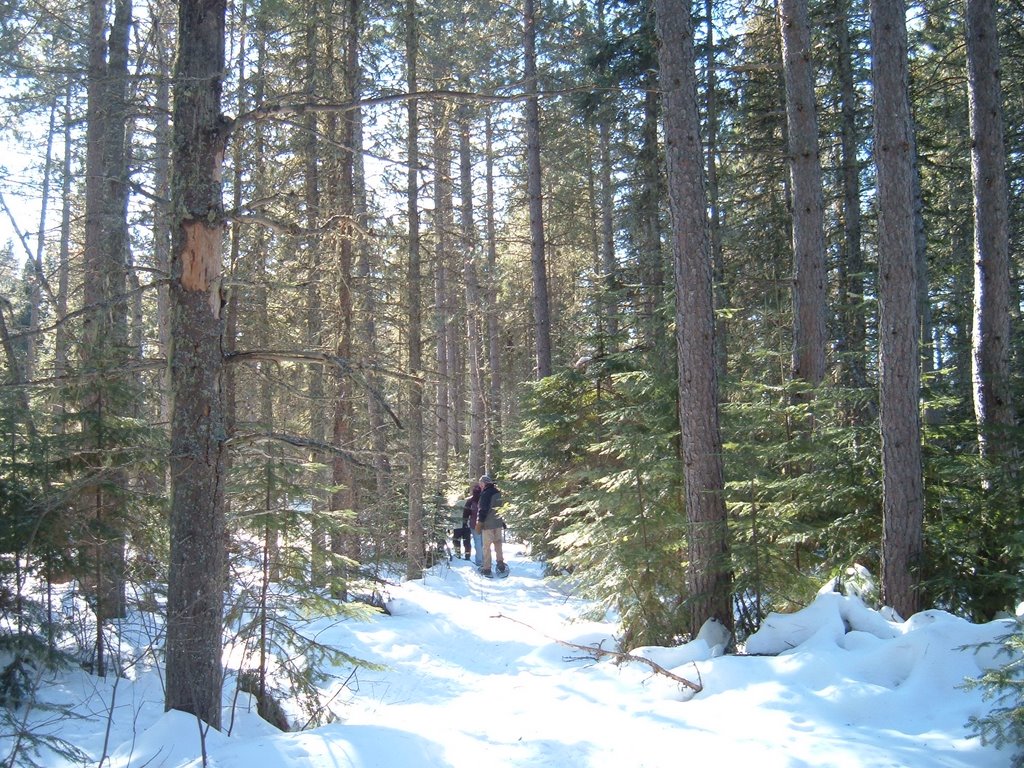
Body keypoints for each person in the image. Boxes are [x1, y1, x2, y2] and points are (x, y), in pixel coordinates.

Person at [475, 474, 507, 578]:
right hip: (497, 524)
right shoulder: (498, 493)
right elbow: (500, 509)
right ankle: (500, 564)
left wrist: (480, 523)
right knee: (498, 545)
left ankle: (487, 568)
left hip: (488, 525)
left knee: (486, 547)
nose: (480, 486)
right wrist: (502, 521)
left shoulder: (485, 494)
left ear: (484, 483)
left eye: (481, 484)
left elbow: (483, 510)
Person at [461, 483, 483, 565]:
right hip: (484, 524)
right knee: (483, 543)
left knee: (477, 542)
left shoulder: (470, 501)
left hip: (474, 524)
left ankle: (479, 561)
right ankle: (486, 561)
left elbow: (466, 513)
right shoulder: (484, 499)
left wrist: (465, 522)